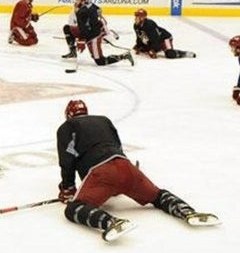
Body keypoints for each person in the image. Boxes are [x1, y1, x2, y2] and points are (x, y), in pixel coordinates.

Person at [56, 99, 218, 242]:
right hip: (126, 167)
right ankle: (186, 211)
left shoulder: (67, 127)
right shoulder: (104, 120)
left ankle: (110, 222)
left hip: (101, 173)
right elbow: (117, 145)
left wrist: (68, 189)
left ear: (68, 115)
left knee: (73, 209)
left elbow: (67, 161)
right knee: (157, 195)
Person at [71, 0, 132, 66]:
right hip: (93, 34)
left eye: (78, 0)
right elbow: (97, 10)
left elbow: (83, 27)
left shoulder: (82, 11)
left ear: (84, 1)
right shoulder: (89, 6)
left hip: (93, 37)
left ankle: (124, 56)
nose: (76, 1)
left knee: (100, 61)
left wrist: (81, 39)